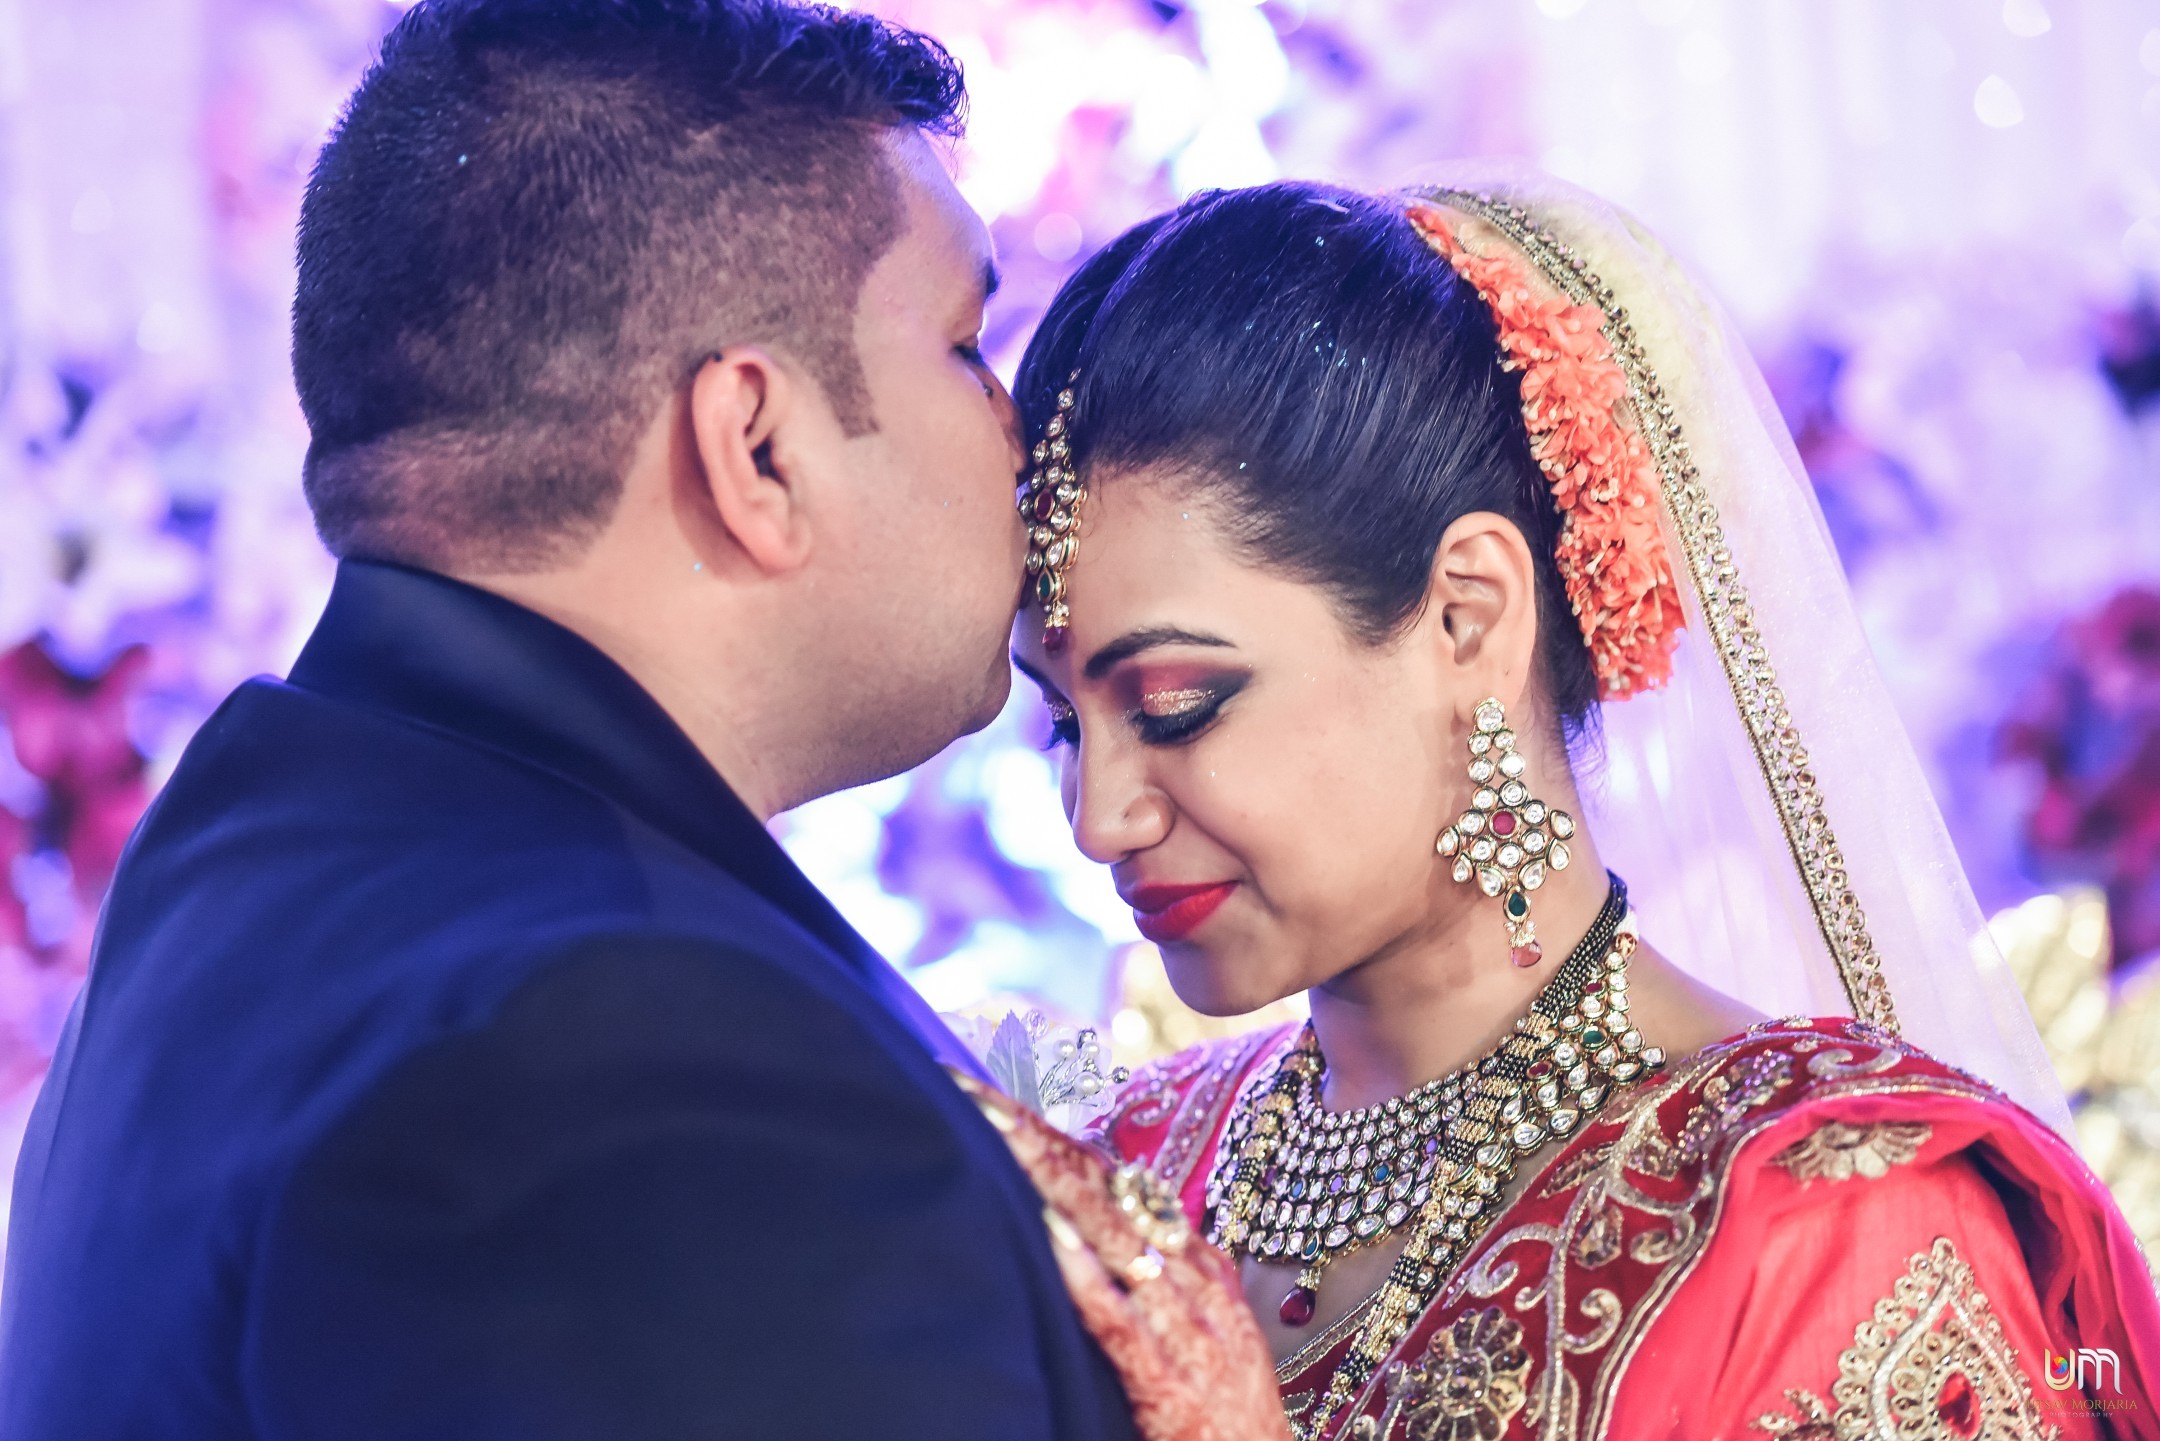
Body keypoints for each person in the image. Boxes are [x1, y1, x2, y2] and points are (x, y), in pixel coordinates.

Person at [0, 3, 1283, 1437]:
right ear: (756, 448)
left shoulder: (242, 877)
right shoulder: (655, 1074)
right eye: (968, 344)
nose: (1021, 443)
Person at [1008, 172, 2160, 1440]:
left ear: (1469, 619)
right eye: (1061, 721)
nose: (1098, 816)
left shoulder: (1829, 1216)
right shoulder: (1130, 1167)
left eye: (1175, 706)